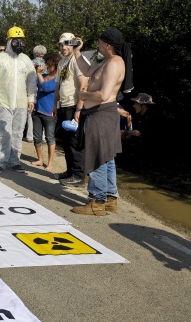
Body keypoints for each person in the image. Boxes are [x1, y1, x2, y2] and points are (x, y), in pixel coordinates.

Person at [70, 28, 128, 216]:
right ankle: (110, 198)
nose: (97, 44)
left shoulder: (114, 64)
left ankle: (97, 201)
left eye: (100, 41)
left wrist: (84, 95)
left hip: (101, 114)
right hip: (101, 114)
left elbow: (103, 95)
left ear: (108, 45)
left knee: (97, 156)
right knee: (107, 156)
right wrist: (77, 51)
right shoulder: (108, 61)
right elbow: (87, 70)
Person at [0, 26, 36, 174]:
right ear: (9, 42)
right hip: (4, 101)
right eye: (15, 41)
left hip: (21, 103)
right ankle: (0, 162)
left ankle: (15, 161)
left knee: (17, 133)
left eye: (21, 41)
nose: (19, 44)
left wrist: (31, 99)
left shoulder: (26, 60)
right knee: (3, 133)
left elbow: (31, 81)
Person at [52, 32, 90, 186]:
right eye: (61, 44)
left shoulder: (78, 60)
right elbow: (58, 85)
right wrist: (55, 105)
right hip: (64, 105)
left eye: (67, 44)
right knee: (66, 141)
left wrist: (79, 109)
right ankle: (70, 171)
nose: (64, 47)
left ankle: (79, 175)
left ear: (74, 44)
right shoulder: (62, 61)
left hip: (74, 105)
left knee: (75, 142)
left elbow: (84, 85)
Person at [31, 53, 60, 171]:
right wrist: (35, 71)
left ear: (56, 65)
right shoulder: (43, 76)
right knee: (37, 137)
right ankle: (40, 159)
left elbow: (47, 88)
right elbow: (33, 84)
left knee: (50, 138)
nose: (47, 66)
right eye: (46, 63)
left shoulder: (57, 79)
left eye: (50, 64)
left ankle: (50, 163)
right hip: (37, 110)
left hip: (49, 113)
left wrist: (38, 74)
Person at [24, 45, 47, 142]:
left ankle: (29, 136)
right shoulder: (46, 64)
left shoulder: (29, 63)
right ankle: (43, 136)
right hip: (43, 90)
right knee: (43, 113)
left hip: (31, 89)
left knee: (30, 113)